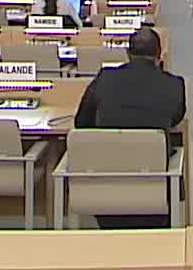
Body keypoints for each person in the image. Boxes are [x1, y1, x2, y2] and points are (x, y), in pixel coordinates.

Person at [75, 26, 186, 227]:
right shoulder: (174, 85)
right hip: (155, 192)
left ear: (127, 54)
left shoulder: (105, 78)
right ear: (159, 55)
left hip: (104, 191)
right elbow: (176, 118)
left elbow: (81, 122)